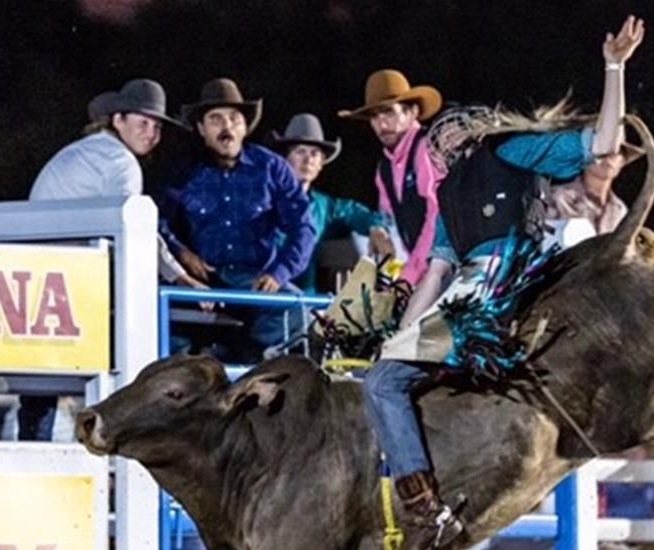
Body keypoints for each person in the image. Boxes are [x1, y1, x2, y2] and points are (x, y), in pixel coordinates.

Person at [363, 16, 647, 550]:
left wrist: (613, 69)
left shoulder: (513, 155)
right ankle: (427, 506)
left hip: (504, 292)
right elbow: (436, 269)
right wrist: (400, 337)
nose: (439, 141)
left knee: (385, 384)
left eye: (449, 130)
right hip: (473, 294)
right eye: (439, 134)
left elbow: (602, 142)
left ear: (473, 133)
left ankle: (425, 506)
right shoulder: (447, 195)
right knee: (384, 379)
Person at [22, 78, 207, 440]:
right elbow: (135, 226)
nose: (152, 133)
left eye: (156, 127)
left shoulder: (79, 153)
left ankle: (39, 457)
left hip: (42, 275)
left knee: (40, 385)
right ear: (117, 120)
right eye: (143, 123)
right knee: (120, 365)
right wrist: (181, 277)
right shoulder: (121, 164)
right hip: (72, 280)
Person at [157, 78, 317, 363]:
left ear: (245, 127)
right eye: (216, 119)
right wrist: (182, 254)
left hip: (256, 282)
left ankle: (253, 367)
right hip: (203, 281)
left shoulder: (271, 167)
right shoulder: (183, 172)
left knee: (297, 310)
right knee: (161, 318)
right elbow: (157, 223)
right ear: (201, 129)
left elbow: (303, 228)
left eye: (234, 118)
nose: (227, 127)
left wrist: (279, 273)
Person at [339, 70, 444, 298]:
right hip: (421, 274)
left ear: (412, 112)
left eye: (388, 112)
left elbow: (435, 215)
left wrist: (410, 275)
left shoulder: (426, 148)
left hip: (446, 266)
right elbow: (391, 228)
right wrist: (391, 276)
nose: (381, 123)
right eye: (374, 117)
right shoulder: (384, 167)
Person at [271, 113, 388, 293]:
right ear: (285, 159)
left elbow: (355, 213)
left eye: (315, 154)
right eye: (300, 151)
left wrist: (376, 227)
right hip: (261, 294)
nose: (308, 160)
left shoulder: (323, 206)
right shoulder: (263, 198)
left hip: (303, 301)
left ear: (321, 164)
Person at [545, 128, 645, 251]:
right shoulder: (557, 197)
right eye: (603, 149)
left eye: (617, 151)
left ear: (622, 162)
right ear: (586, 154)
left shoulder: (621, 211)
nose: (610, 157)